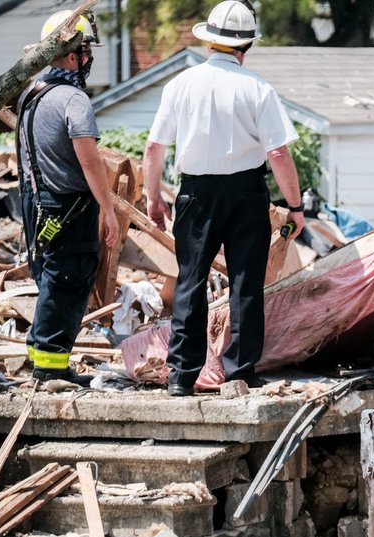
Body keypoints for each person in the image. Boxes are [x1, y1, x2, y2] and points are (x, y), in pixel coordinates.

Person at [144, 0, 305, 396]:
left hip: (196, 193)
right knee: (245, 283)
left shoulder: (180, 84)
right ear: (246, 46)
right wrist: (296, 207)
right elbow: (279, 153)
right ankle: (240, 371)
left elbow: (153, 148)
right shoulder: (257, 88)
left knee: (190, 282)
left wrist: (153, 198)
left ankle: (181, 376)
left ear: (209, 41)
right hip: (246, 192)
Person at [16, 10, 120, 384]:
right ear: (73, 54)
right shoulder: (73, 99)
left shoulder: (31, 93)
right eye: (86, 50)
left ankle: (39, 358)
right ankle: (51, 367)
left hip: (35, 201)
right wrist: (108, 211)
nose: (89, 59)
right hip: (69, 206)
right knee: (68, 278)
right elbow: (90, 162)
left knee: (48, 277)